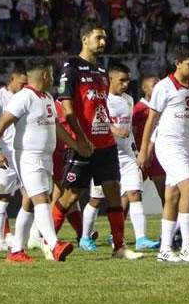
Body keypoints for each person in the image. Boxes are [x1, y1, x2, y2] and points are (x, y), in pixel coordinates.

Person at [0, 58, 84, 263]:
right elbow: (2, 123)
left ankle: (16, 251)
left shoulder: (48, 98)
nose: (53, 78)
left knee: (29, 203)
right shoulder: (23, 97)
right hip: (27, 156)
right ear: (45, 75)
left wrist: (76, 145)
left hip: (45, 157)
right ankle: (53, 244)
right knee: (41, 198)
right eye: (52, 74)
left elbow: (56, 127)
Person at [52, 23, 142, 260]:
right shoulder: (70, 69)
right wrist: (80, 140)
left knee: (113, 191)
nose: (103, 42)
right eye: (98, 37)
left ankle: (119, 247)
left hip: (106, 144)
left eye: (105, 38)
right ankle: (49, 242)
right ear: (84, 39)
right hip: (82, 144)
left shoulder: (102, 72)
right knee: (71, 196)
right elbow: (67, 109)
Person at [138, 43, 189, 263]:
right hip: (168, 145)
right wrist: (144, 151)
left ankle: (164, 249)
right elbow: (151, 120)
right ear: (178, 63)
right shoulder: (164, 87)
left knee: (172, 196)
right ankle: (188, 245)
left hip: (186, 146)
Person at [107, 63, 159, 250]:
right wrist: (113, 129)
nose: (125, 84)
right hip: (108, 154)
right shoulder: (103, 100)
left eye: (127, 80)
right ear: (110, 79)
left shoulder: (129, 99)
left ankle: (141, 239)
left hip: (128, 154)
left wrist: (137, 151)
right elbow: (95, 122)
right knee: (96, 199)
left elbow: (131, 129)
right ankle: (89, 237)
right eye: (121, 80)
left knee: (134, 193)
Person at [0, 68, 29, 251]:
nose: (24, 86)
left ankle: (29, 237)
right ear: (12, 79)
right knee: (3, 198)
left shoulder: (26, 97)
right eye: (22, 83)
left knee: (31, 195)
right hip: (5, 154)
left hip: (24, 152)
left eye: (26, 83)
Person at [132, 76, 166, 203]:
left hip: (157, 155)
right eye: (154, 86)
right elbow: (133, 132)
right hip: (141, 155)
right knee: (132, 193)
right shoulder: (139, 108)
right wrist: (138, 153)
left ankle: (171, 222)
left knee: (164, 191)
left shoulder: (162, 106)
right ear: (145, 89)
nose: (158, 88)